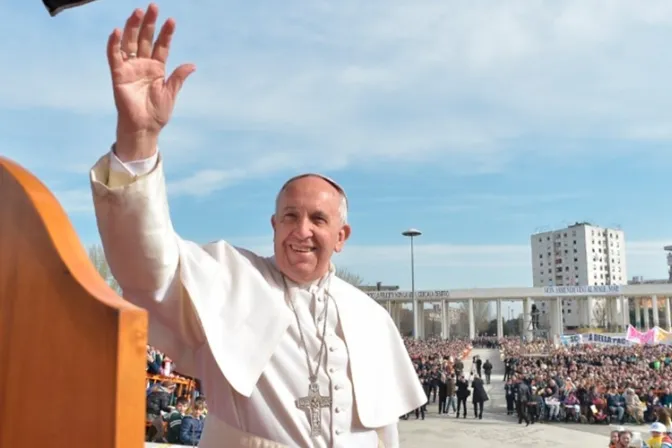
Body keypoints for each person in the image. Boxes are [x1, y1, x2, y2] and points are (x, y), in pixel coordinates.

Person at [88, 4, 426, 447]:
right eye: (290, 216)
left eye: (318, 220)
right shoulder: (231, 279)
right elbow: (145, 264)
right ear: (273, 225)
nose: (301, 230)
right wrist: (139, 138)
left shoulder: (370, 317)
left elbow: (385, 435)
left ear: (341, 237)